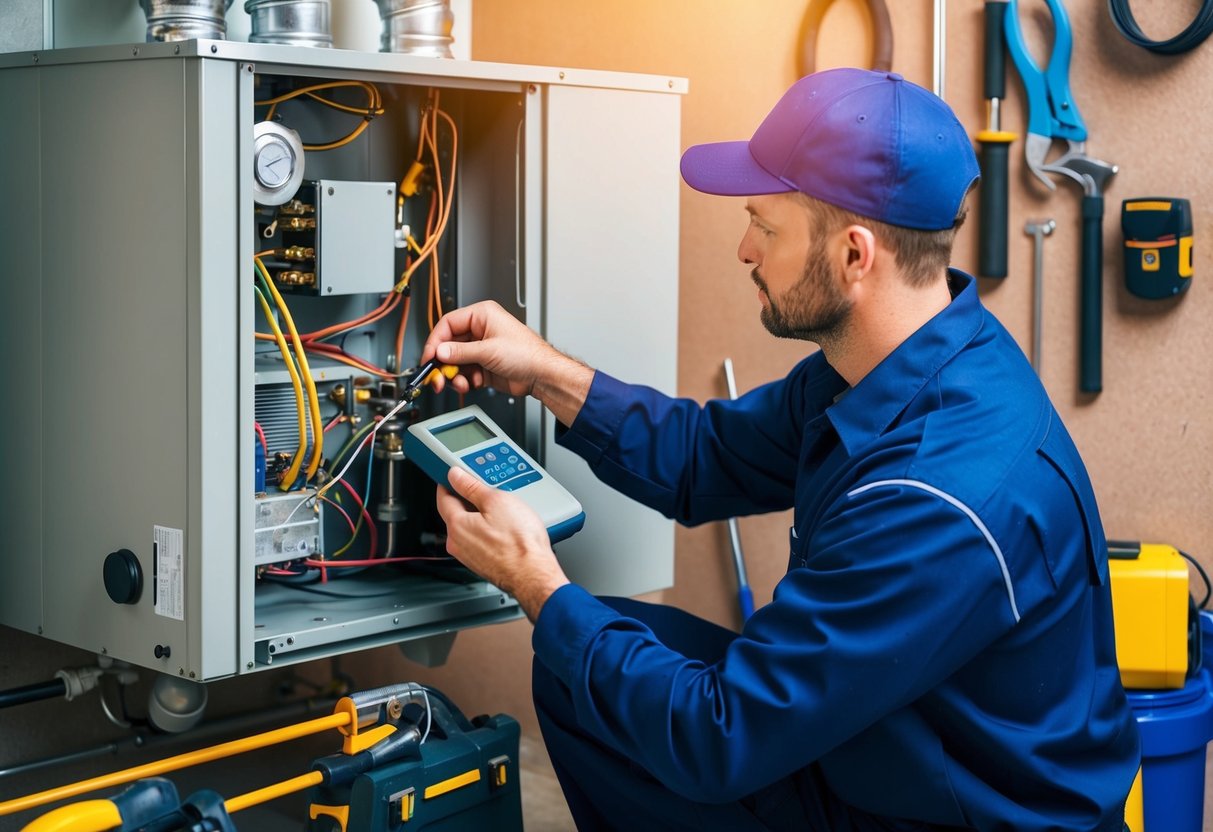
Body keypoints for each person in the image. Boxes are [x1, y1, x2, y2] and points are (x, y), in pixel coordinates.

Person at [420, 68, 1140, 831]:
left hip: (958, 814)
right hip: (901, 751)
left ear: (854, 256)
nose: (742, 249)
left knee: (597, 659)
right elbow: (706, 456)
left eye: (763, 227)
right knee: (588, 671)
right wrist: (544, 372)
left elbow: (718, 737)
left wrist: (536, 584)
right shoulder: (897, 365)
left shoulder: (937, 499)